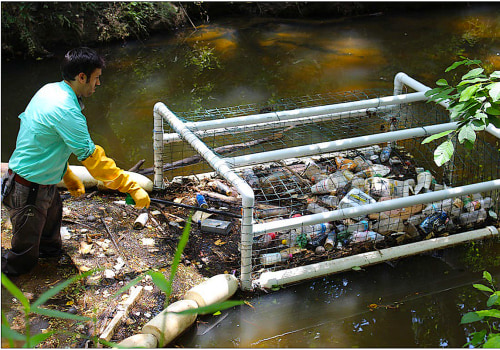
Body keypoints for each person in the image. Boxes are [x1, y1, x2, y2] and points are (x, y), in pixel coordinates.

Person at [1, 47, 150, 277]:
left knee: (51, 244)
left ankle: (49, 268)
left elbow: (46, 144)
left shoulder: (51, 90)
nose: (98, 84)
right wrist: (130, 186)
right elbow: (95, 162)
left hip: (44, 182)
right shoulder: (65, 109)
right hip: (28, 187)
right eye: (96, 78)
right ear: (82, 77)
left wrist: (67, 175)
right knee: (22, 261)